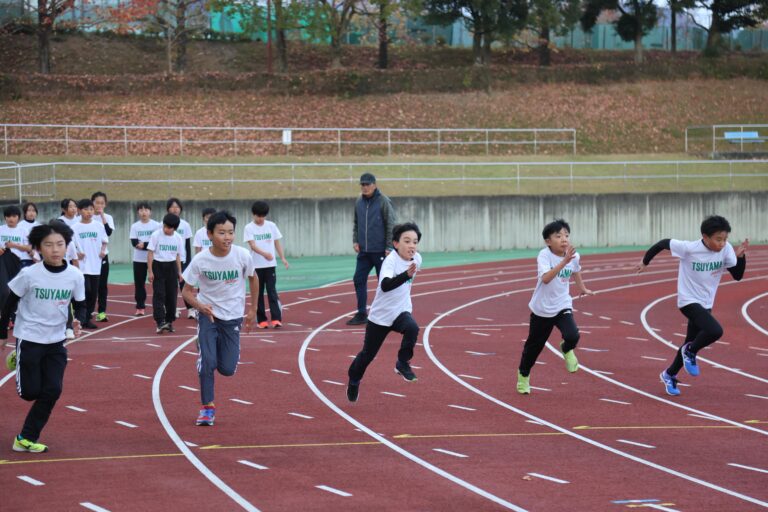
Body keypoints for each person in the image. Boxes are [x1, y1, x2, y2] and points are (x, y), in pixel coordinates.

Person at [637, 215, 748, 396]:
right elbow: (661, 243)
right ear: (705, 237)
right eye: (718, 239)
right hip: (688, 300)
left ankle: (669, 374)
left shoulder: (726, 249)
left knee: (690, 339)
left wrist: (741, 257)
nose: (722, 243)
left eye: (725, 239)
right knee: (714, 331)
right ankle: (690, 351)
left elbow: (737, 275)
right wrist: (645, 262)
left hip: (706, 303)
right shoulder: (689, 248)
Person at [0, 221, 86, 453]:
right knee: (30, 393)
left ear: (67, 246)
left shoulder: (75, 275)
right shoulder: (29, 274)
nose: (55, 249)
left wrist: (78, 319)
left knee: (53, 390)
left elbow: (80, 304)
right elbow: (9, 303)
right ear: (38, 248)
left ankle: (25, 437)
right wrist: (2, 334)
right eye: (48, 245)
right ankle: (17, 358)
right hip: (29, 337)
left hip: (56, 341)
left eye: (60, 244)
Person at [182, 211, 258, 427]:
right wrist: (199, 306)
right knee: (207, 362)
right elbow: (186, 291)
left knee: (227, 368)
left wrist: (252, 310)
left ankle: (207, 349)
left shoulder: (242, 256)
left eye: (231, 232)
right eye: (222, 232)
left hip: (233, 318)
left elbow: (254, 279)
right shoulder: (200, 260)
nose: (227, 237)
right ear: (210, 234)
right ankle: (207, 408)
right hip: (209, 317)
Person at [347, 222, 422, 403]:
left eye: (415, 241)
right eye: (407, 241)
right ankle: (354, 379)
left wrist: (407, 275)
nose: (412, 245)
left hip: (401, 311)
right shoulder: (390, 261)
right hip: (380, 317)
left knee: (412, 328)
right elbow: (386, 286)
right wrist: (406, 275)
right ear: (396, 244)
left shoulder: (418, 259)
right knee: (367, 356)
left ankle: (402, 363)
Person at [516, 219, 593, 395]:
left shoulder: (573, 256)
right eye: (558, 236)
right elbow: (545, 279)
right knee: (533, 348)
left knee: (572, 335)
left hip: (562, 305)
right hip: (542, 309)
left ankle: (566, 348)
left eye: (566, 235)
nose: (564, 239)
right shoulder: (544, 255)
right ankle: (523, 374)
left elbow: (576, 270)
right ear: (548, 241)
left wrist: (581, 288)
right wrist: (564, 261)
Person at [348, 172, 396, 326]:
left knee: (385, 283)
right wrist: (355, 240)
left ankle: (390, 313)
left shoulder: (383, 201)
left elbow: (391, 224)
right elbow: (356, 222)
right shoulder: (358, 202)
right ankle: (362, 313)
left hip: (381, 251)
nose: (365, 187)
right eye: (362, 184)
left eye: (367, 184)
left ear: (374, 185)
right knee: (358, 279)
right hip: (364, 252)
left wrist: (389, 246)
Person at [244, 201, 289, 329]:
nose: (261, 219)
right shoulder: (249, 228)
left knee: (272, 291)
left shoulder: (271, 226)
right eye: (258, 216)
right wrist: (265, 254)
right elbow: (252, 245)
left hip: (270, 265)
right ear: (253, 215)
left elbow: (277, 242)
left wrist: (282, 258)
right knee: (258, 294)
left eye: (263, 216)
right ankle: (261, 320)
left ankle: (276, 318)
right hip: (256, 266)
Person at [71, 199, 108, 330]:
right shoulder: (75, 228)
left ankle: (87, 318)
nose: (89, 212)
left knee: (93, 293)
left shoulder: (98, 226)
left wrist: (103, 251)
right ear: (80, 211)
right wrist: (76, 253)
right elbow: (70, 244)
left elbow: (105, 240)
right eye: (86, 209)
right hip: (81, 265)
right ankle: (79, 316)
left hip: (95, 264)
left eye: (91, 209)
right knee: (85, 290)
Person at [147, 213, 184, 334]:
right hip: (158, 265)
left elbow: (178, 255)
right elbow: (150, 253)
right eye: (165, 226)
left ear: (175, 228)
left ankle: (169, 321)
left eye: (169, 227)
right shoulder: (156, 235)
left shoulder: (178, 238)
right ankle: (160, 322)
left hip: (172, 266)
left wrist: (179, 272)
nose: (166, 229)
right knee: (159, 294)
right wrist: (150, 271)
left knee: (172, 296)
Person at [0, 206, 34, 317]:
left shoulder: (23, 230)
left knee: (16, 290)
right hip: (3, 261)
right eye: (8, 216)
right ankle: (4, 314)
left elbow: (29, 248)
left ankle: (13, 316)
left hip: (17, 262)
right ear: (5, 218)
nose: (11, 218)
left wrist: (14, 245)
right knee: (5, 290)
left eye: (14, 216)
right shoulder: (1, 229)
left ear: (18, 218)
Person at [129, 202, 161, 316]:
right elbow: (134, 242)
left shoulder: (156, 225)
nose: (144, 212)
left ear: (150, 212)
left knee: (158, 284)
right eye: (141, 210)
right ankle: (140, 307)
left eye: (146, 210)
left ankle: (159, 306)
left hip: (154, 259)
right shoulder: (135, 226)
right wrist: (146, 246)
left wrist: (145, 244)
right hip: (139, 260)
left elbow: (157, 242)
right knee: (139, 284)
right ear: (138, 212)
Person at [167, 198, 194, 319]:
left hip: (182, 260)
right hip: (169, 260)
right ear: (168, 209)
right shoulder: (163, 225)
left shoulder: (185, 225)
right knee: (171, 286)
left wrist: (188, 261)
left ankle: (191, 309)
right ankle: (173, 309)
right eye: (172, 207)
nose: (175, 209)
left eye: (177, 207)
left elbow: (187, 245)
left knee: (184, 285)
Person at [92, 192, 115, 322]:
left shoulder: (108, 217)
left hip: (102, 256)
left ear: (105, 204)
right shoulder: (84, 217)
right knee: (88, 285)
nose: (99, 205)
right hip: (88, 257)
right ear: (92, 203)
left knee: (102, 285)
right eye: (97, 202)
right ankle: (88, 310)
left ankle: (101, 312)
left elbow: (108, 232)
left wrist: (102, 216)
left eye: (102, 203)